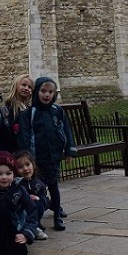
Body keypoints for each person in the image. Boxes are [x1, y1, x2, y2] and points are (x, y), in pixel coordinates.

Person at [17, 77, 77, 231]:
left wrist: (70, 150)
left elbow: (66, 130)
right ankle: (37, 219)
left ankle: (57, 216)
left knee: (54, 187)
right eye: (43, 91)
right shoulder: (29, 114)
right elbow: (24, 136)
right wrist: (27, 159)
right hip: (36, 159)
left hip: (54, 157)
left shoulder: (57, 111)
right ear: (37, 92)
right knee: (38, 190)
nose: (46, 95)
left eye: (50, 92)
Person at [13, 150, 49, 241]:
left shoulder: (38, 183)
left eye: (27, 164)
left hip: (35, 208)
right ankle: (29, 228)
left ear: (33, 164)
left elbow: (43, 195)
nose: (25, 169)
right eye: (20, 167)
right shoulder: (17, 184)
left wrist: (39, 198)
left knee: (39, 203)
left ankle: (35, 225)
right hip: (21, 211)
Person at [0, 75, 34, 151]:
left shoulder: (29, 109)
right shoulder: (8, 107)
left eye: (29, 87)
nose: (26, 88)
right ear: (16, 86)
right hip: (12, 149)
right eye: (23, 85)